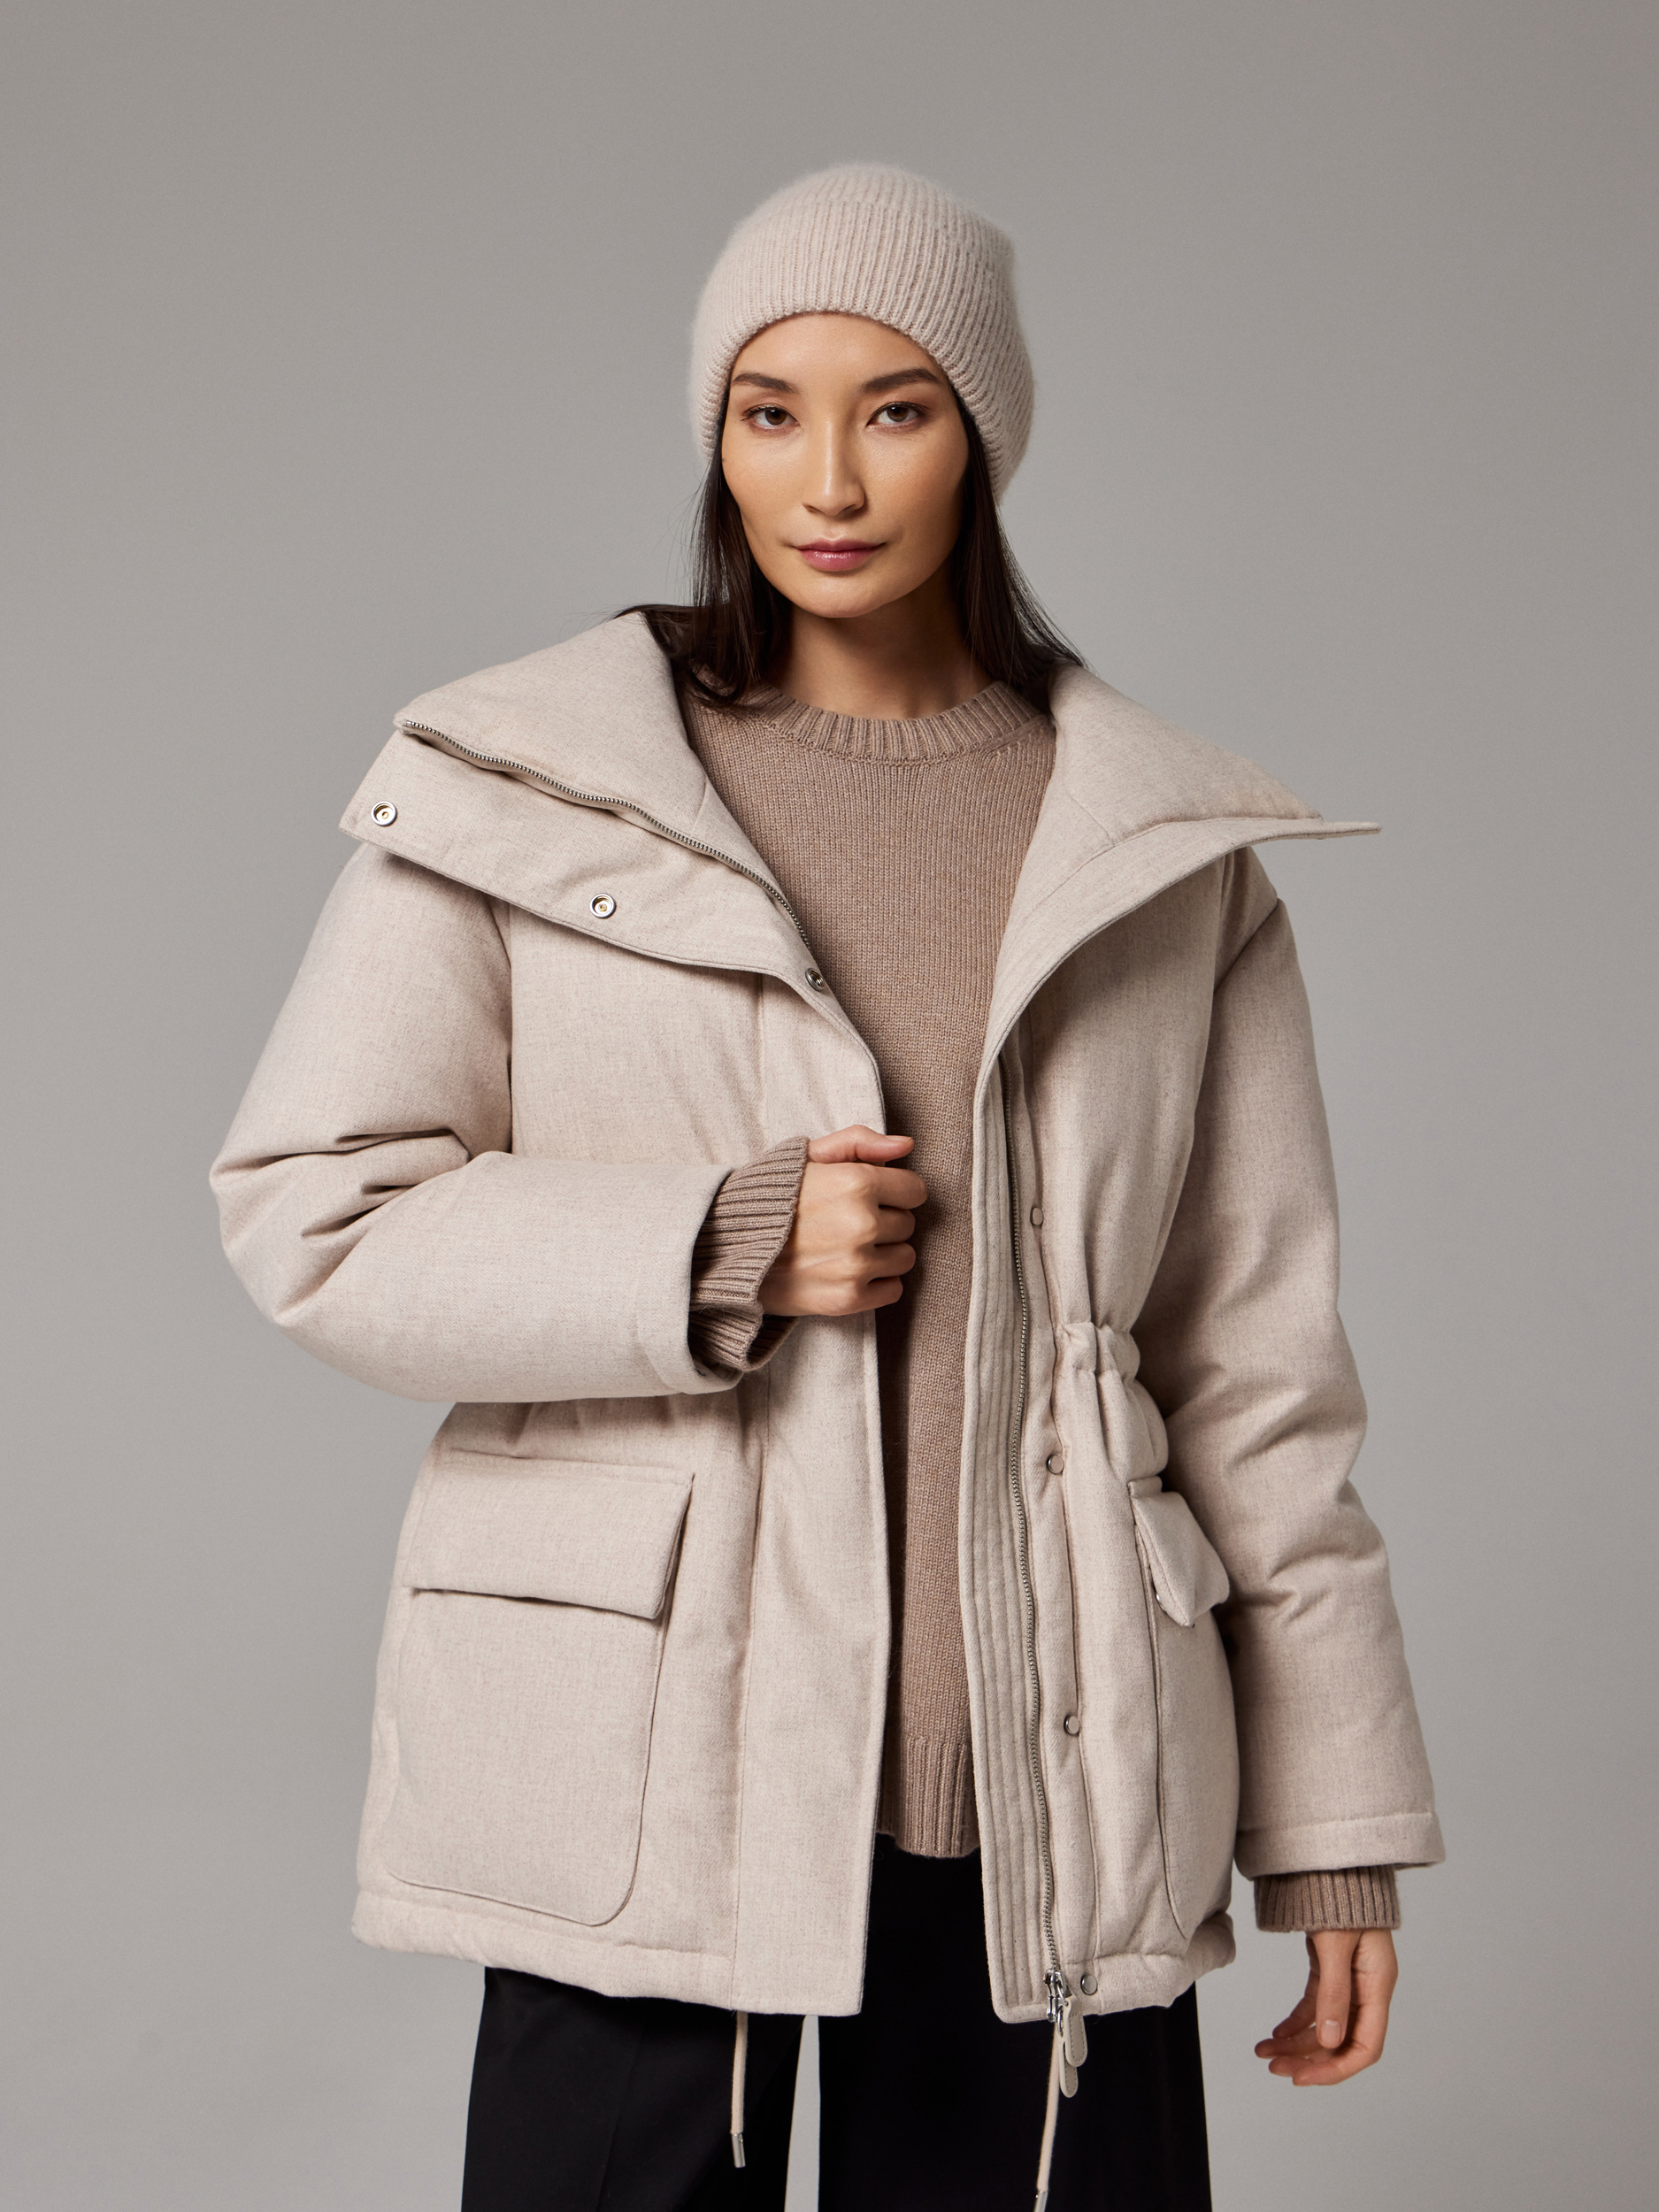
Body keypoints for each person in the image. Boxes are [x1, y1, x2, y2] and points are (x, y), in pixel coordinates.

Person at [212, 165, 1442, 2212]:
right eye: (768, 409)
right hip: (654, 1769)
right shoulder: (532, 792)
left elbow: (1255, 1373)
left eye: (896, 408)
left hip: (1055, 1783)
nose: (830, 477)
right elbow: (314, 1209)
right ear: (713, 433)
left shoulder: (1158, 853)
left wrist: (1334, 1827)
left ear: (984, 435)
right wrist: (719, 1240)